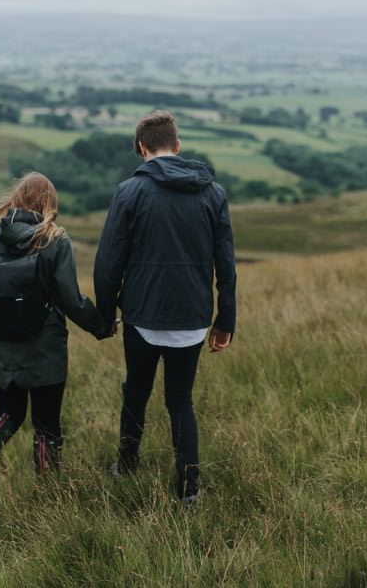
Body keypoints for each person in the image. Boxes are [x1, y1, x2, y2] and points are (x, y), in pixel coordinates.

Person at [0, 172, 110, 506]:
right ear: (48, 202)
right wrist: (101, 327)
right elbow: (70, 299)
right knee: (46, 425)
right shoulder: (54, 239)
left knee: (7, 414)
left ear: (16, 198)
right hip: (44, 350)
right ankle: (48, 501)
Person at [94, 110, 237, 503]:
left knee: (135, 392)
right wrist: (225, 321)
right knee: (180, 402)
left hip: (141, 316)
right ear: (177, 145)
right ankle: (189, 488)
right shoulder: (214, 194)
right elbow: (225, 265)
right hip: (192, 320)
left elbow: (109, 262)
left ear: (142, 148)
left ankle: (126, 464)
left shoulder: (129, 192)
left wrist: (106, 316)